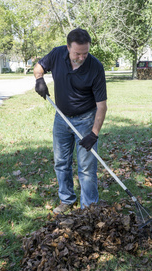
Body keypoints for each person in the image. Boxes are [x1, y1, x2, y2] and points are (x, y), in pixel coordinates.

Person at [34, 28, 107, 214]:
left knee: (86, 168)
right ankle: (67, 199)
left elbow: (102, 106)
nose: (81, 57)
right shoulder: (58, 54)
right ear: (68, 47)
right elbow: (38, 67)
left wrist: (94, 134)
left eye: (85, 53)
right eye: (77, 53)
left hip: (86, 119)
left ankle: (89, 207)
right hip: (61, 118)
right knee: (61, 162)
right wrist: (39, 80)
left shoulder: (96, 67)